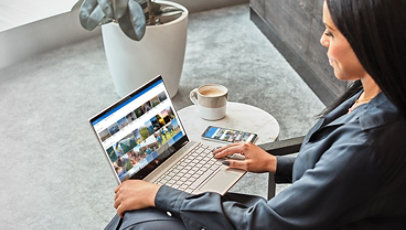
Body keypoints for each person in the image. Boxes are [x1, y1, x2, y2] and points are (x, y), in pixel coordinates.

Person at [107, 0, 406, 229]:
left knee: (138, 215)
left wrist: (161, 194)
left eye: (330, 32)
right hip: (313, 216)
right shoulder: (377, 88)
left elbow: (264, 222)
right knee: (148, 209)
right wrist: (277, 163)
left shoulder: (367, 143)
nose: (322, 40)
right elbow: (340, 182)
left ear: (370, 40)